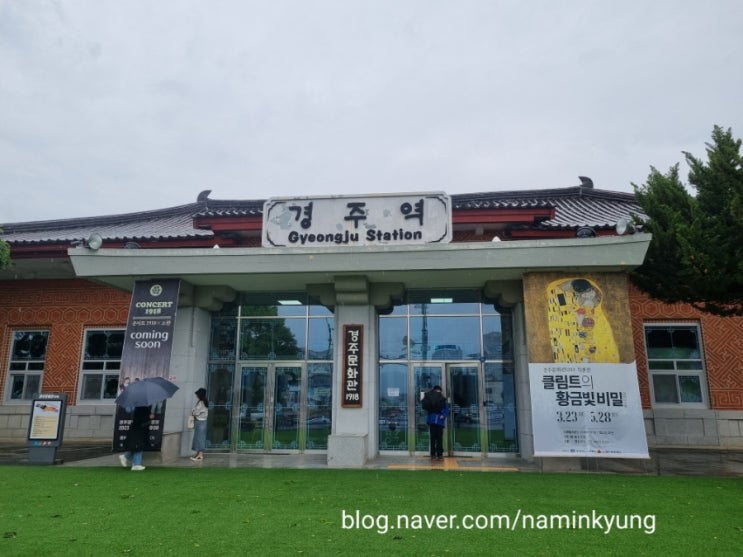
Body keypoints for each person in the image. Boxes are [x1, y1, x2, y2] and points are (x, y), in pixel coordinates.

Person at [119, 405, 153, 471]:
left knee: (137, 446)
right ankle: (136, 464)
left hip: (139, 428)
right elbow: (139, 418)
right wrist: (149, 417)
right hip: (138, 429)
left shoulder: (141, 406)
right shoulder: (139, 407)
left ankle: (127, 458)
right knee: (138, 446)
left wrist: (149, 416)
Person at [422, 385, 449, 461]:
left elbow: (446, 410)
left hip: (438, 422)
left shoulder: (443, 401)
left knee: (439, 439)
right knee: (433, 439)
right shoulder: (430, 400)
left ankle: (439, 454)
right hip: (434, 422)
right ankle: (434, 455)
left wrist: (443, 415)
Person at [190, 387, 209, 461]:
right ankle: (198, 454)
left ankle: (200, 455)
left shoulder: (201, 402)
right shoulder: (203, 401)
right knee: (199, 437)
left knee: (199, 438)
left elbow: (196, 412)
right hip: (202, 421)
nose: (196, 395)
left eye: (197, 394)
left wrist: (193, 411)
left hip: (200, 421)